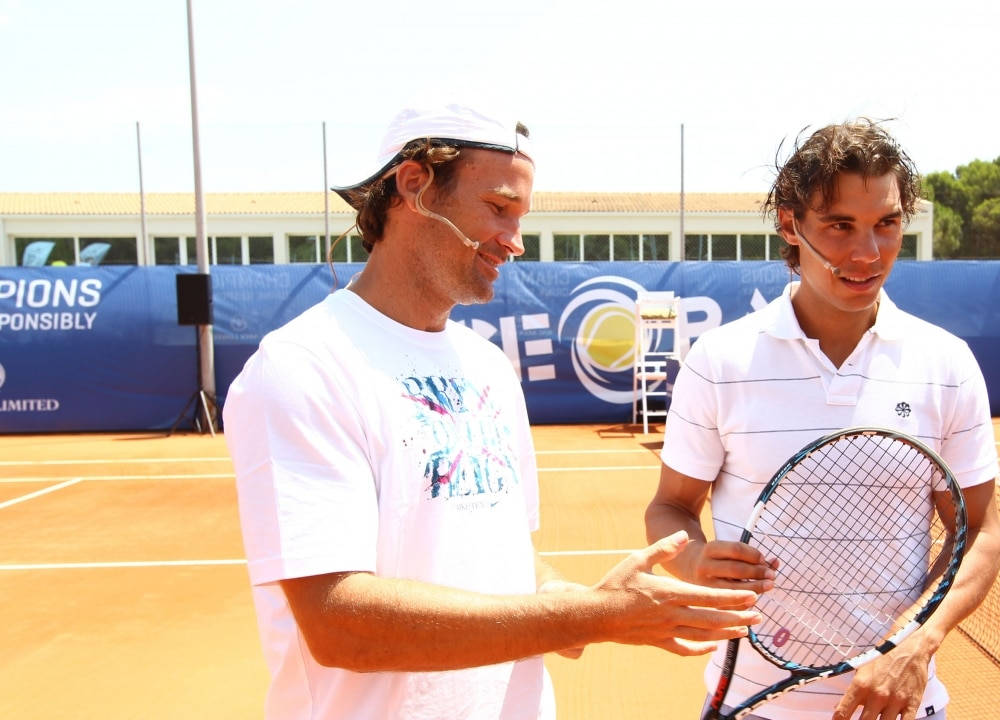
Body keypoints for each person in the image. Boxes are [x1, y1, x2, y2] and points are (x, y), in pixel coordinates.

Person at [223, 102, 762, 720]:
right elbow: (341, 625)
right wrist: (592, 615)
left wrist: (571, 597)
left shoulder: (487, 368)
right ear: (415, 187)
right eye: (499, 209)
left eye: (520, 215)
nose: (516, 239)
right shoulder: (301, 366)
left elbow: (506, 556)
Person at [645, 119, 1000, 720]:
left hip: (901, 707)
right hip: (750, 704)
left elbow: (979, 534)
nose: (868, 254)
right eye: (840, 226)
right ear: (791, 225)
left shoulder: (947, 363)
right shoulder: (718, 361)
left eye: (886, 224)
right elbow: (670, 508)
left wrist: (915, 642)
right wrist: (691, 557)